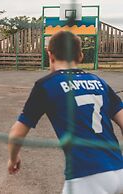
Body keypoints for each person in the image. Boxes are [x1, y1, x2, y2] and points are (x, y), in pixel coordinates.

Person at [8, 31, 123, 194]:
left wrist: (13, 158)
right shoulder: (99, 82)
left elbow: (16, 134)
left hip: (85, 179)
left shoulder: (47, 85)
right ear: (81, 56)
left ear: (50, 54)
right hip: (119, 170)